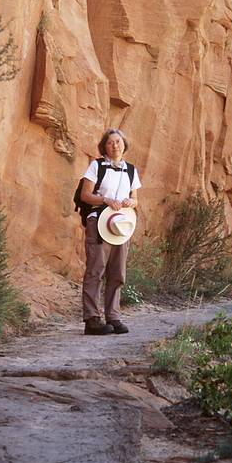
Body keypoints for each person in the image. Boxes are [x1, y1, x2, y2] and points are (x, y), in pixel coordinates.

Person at [80, 128, 142, 335]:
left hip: (120, 224)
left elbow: (135, 199)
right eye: (110, 142)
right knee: (96, 269)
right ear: (104, 147)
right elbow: (85, 195)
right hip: (98, 221)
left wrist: (130, 202)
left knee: (117, 271)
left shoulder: (131, 170)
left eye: (118, 141)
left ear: (124, 144)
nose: (115, 145)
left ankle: (113, 316)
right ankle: (92, 319)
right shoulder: (96, 166)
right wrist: (105, 199)